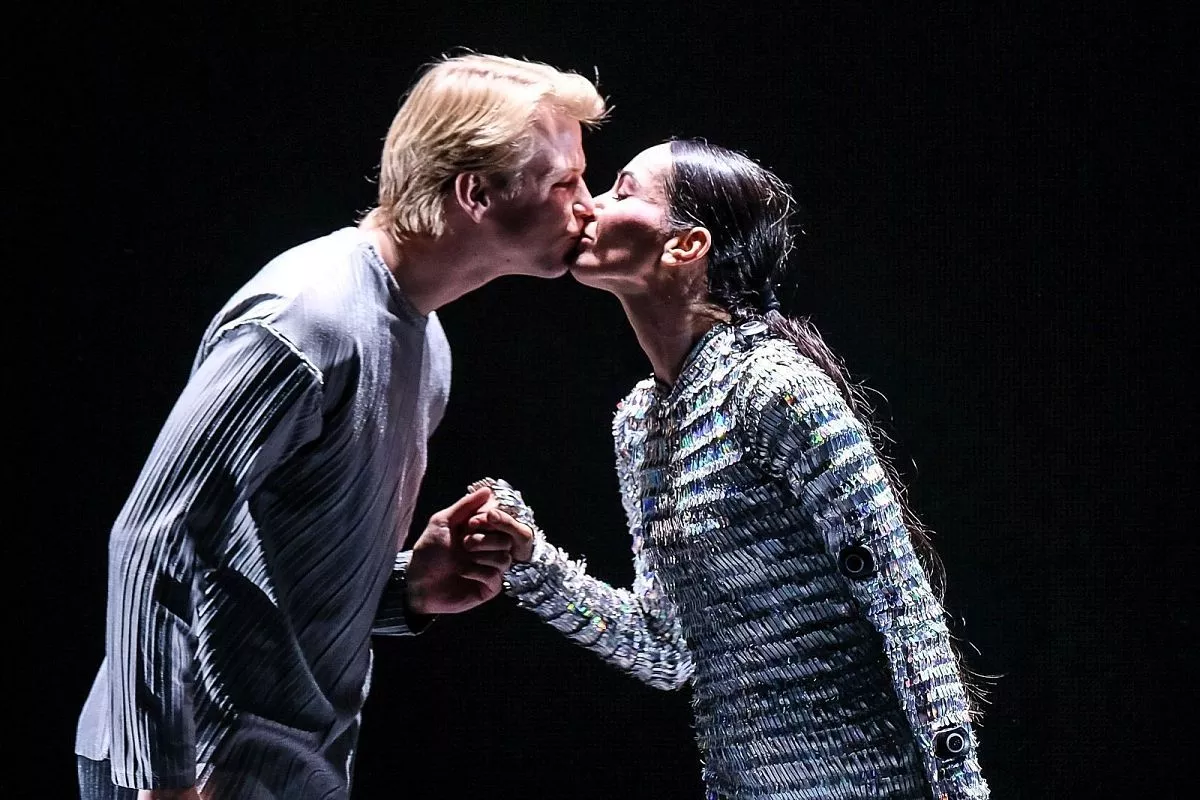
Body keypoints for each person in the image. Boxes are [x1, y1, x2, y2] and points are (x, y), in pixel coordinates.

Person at [75, 53, 607, 800]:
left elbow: (264, 564)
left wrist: (406, 588)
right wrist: (162, 778)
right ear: (476, 192)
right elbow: (149, 541)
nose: (589, 204)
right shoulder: (307, 319)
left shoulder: (427, 341)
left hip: (289, 766)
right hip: (196, 762)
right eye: (564, 182)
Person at [467, 139, 990, 799]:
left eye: (622, 191)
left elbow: (901, 600)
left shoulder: (774, 387)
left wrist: (960, 787)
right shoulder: (640, 423)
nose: (589, 206)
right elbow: (665, 649)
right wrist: (530, 564)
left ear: (686, 246)